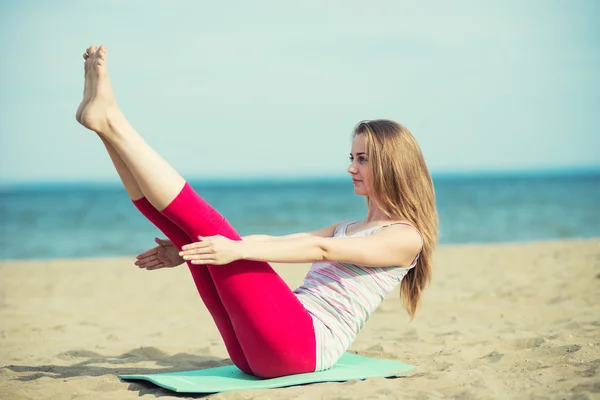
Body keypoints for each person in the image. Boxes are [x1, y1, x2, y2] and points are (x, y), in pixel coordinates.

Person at [76, 44, 438, 379]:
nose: (351, 168)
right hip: (261, 349)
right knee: (193, 233)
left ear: (392, 165)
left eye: (362, 159)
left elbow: (322, 250)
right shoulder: (349, 226)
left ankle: (113, 120)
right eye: (351, 157)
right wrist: (188, 253)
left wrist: (234, 248)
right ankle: (105, 130)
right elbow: (280, 241)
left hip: (302, 347)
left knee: (209, 226)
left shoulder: (405, 237)